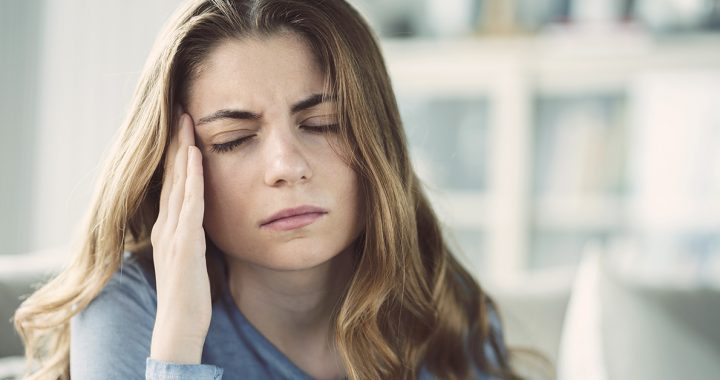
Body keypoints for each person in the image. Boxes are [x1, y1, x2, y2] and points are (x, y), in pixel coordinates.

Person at [14, 0, 521, 379]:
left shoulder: (444, 306)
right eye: (233, 140)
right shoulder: (130, 308)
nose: (286, 167)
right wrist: (177, 341)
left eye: (323, 123)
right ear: (172, 167)